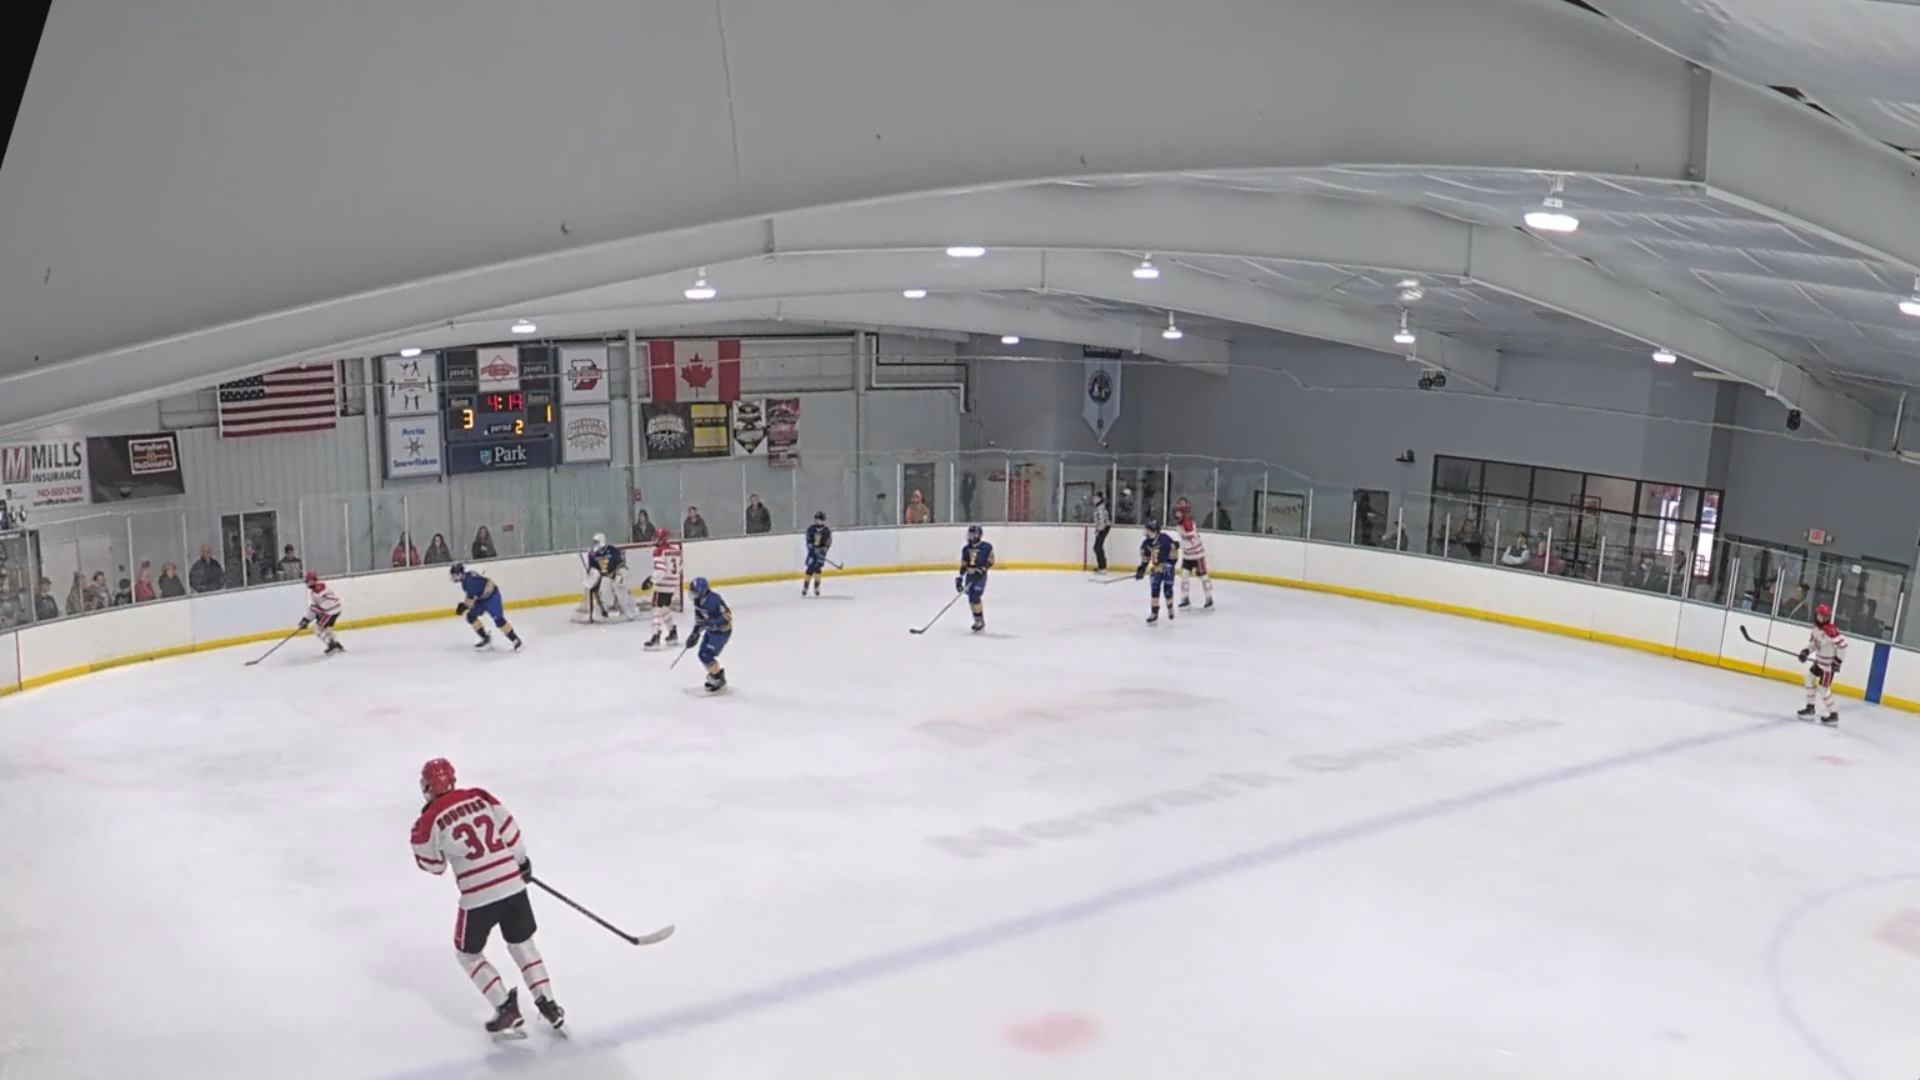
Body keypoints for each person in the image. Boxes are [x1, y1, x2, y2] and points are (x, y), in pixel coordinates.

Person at [410, 758, 565, 1038]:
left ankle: (506, 1007)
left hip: (477, 897)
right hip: (512, 885)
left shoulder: (429, 818)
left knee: (467, 953)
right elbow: (510, 829)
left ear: (428, 787)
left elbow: (433, 865)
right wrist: (521, 861)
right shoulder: (479, 796)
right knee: (523, 944)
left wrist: (422, 834)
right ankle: (549, 1004)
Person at [451, 562, 524, 651]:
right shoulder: (468, 577)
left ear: (459, 574)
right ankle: (486, 638)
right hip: (482, 598)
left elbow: (471, 599)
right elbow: (474, 594)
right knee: (471, 617)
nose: (453, 577)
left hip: (492, 596)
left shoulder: (468, 582)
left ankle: (515, 640)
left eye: (454, 575)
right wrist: (465, 605)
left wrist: (463, 607)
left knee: (499, 620)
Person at [1797, 603, 1848, 725]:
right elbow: (1814, 644)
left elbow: (1842, 646)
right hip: (1819, 662)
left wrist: (1837, 661)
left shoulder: (1831, 631)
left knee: (1824, 689)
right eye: (1820, 615)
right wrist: (1806, 651)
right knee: (1809, 679)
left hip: (1827, 667)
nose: (1822, 618)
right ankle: (1810, 708)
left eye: (1825, 616)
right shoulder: (1815, 629)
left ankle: (1833, 714)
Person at [686, 577, 732, 693]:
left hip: (722, 632)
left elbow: (727, 617)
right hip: (710, 631)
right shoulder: (697, 601)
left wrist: (712, 624)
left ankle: (718, 677)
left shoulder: (714, 600)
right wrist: (694, 633)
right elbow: (699, 619)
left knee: (706, 654)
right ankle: (715, 674)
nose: (693, 594)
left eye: (695, 592)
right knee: (702, 653)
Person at [583, 532, 637, 622]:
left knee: (621, 594)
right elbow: (593, 568)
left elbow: (621, 564)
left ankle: (632, 612)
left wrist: (616, 574)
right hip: (605, 577)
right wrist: (591, 574)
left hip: (616, 574)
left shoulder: (613, 550)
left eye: (597, 542)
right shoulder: (592, 554)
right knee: (603, 596)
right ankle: (601, 613)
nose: (595, 544)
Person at [1137, 517, 1181, 625]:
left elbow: (1174, 550)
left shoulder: (1164, 539)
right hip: (1156, 569)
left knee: (1167, 590)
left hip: (1167, 569)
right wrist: (1142, 568)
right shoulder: (1146, 543)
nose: (1146, 532)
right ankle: (1154, 612)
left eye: (1148, 529)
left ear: (1154, 530)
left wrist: (1169, 562)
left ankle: (1170, 607)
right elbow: (1146, 558)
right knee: (1155, 589)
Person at [644, 527, 683, 650]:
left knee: (656, 608)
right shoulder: (676, 551)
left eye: (658, 537)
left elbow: (660, 570)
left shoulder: (659, 551)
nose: (656, 539)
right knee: (664, 608)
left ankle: (656, 635)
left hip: (662, 585)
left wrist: (651, 580)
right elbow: (680, 567)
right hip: (672, 584)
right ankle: (672, 631)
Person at [1173, 498, 1215, 610]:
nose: (1176, 514)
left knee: (1203, 575)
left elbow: (1190, 534)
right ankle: (1185, 598)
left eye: (1179, 511)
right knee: (1184, 575)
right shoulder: (1181, 523)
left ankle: (1209, 598)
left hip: (1197, 555)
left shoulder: (1187, 523)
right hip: (1188, 555)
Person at [958, 524, 994, 633]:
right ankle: (977, 619)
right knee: (970, 598)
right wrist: (960, 577)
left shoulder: (986, 547)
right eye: (969, 534)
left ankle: (980, 620)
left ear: (978, 535)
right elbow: (964, 564)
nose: (970, 536)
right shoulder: (965, 549)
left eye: (973, 534)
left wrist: (983, 569)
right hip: (970, 575)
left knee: (976, 596)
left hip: (980, 576)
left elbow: (991, 561)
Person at [298, 571, 345, 656]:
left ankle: (331, 645)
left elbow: (319, 607)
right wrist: (306, 619)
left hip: (331, 612)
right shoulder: (321, 586)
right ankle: (336, 643)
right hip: (336, 610)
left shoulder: (316, 592)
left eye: (308, 581)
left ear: (313, 580)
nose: (306, 583)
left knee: (317, 628)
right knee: (326, 628)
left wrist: (306, 620)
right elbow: (316, 607)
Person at [802, 511, 832, 597]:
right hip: (812, 553)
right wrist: (810, 546)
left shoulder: (826, 531)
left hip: (820, 554)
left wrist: (824, 549)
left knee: (817, 569)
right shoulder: (811, 529)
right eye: (816, 520)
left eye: (819, 520)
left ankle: (817, 587)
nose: (817, 521)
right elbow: (808, 538)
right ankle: (805, 587)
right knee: (810, 569)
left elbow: (828, 542)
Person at [1090, 492, 1112, 572]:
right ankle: (1101, 566)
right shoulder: (1099, 507)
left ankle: (1102, 566)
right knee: (1097, 547)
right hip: (1102, 528)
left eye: (1095, 498)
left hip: (1104, 528)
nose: (1093, 500)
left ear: (1099, 498)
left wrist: (1099, 529)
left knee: (1097, 547)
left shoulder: (1100, 508)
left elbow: (1102, 520)